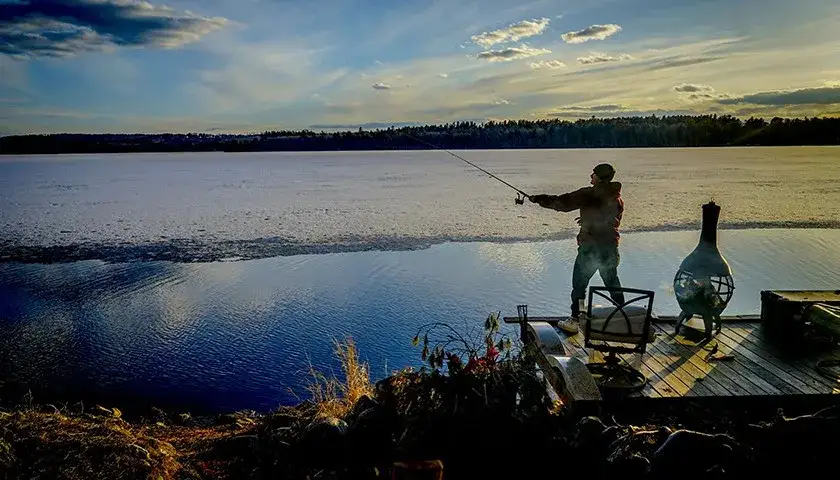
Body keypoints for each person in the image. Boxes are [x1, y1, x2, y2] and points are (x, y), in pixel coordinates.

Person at [528, 163, 625, 334]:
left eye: (593, 174)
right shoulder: (616, 198)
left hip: (590, 250)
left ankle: (576, 318)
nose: (590, 176)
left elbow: (562, 203)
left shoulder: (589, 194)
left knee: (579, 285)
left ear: (600, 178)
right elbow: (607, 219)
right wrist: (587, 220)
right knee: (612, 282)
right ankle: (624, 315)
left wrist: (538, 199)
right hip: (609, 248)